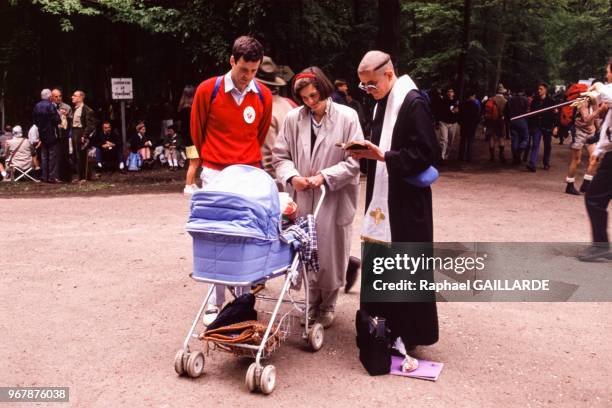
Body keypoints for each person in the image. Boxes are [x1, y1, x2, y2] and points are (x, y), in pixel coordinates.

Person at [350, 50, 439, 367]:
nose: (368, 90)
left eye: (371, 84)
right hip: (382, 194)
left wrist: (385, 156)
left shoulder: (412, 101)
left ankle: (408, 330)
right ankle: (379, 322)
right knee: (381, 255)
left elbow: (427, 153)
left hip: (405, 200)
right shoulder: (380, 101)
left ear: (388, 74)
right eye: (364, 86)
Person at [190, 35, 273, 325]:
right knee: (216, 237)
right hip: (215, 173)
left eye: (254, 71)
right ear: (232, 61)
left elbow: (258, 136)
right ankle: (216, 301)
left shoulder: (263, 94)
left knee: (245, 237)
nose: (247, 77)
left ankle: (243, 299)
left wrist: (245, 160)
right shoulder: (207, 90)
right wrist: (201, 164)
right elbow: (195, 134)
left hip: (249, 173)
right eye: (243, 70)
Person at [273, 67, 362, 328]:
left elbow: (355, 160)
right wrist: (292, 177)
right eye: (305, 98)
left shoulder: (348, 117)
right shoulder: (293, 119)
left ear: (324, 90)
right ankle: (311, 303)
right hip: (302, 195)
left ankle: (328, 305)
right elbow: (280, 157)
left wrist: (324, 176)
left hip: (333, 196)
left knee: (331, 251)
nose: (311, 102)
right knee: (305, 251)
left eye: (315, 96)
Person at [578, 59, 612, 262]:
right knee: (597, 198)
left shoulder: (607, 91)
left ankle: (600, 246)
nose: (607, 75)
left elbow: (607, 93)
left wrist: (598, 86)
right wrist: (599, 150)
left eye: (608, 72)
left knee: (594, 198)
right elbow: (609, 125)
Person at [255, 55, 297, 188]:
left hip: (274, 179)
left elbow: (268, 155)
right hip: (293, 173)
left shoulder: (262, 108)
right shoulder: (290, 104)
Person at [564, 95, 608, 195]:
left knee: (595, 158)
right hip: (579, 132)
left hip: (590, 134)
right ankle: (569, 185)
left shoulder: (594, 102)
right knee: (576, 160)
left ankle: (586, 184)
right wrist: (600, 109)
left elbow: (596, 118)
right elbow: (587, 119)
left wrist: (598, 131)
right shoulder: (581, 102)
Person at [527, 83, 558, 172]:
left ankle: (546, 163)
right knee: (535, 144)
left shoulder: (551, 101)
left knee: (547, 145)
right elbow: (531, 115)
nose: (539, 91)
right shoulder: (534, 101)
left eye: (541, 89)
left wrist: (555, 126)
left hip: (547, 126)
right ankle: (532, 163)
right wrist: (531, 126)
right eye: (538, 89)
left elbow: (556, 115)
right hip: (537, 126)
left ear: (545, 90)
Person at [33, 88, 61, 183]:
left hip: (42, 134)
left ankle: (44, 176)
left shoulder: (37, 106)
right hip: (52, 134)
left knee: (44, 156)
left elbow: (35, 120)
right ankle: (52, 177)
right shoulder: (50, 106)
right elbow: (56, 120)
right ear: (50, 96)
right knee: (53, 156)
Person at [70, 90, 97, 181]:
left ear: (81, 97)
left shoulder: (87, 110)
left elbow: (90, 125)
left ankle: (85, 177)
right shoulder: (75, 108)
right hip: (74, 132)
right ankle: (79, 176)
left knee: (82, 155)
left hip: (81, 132)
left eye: (75, 96)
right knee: (76, 155)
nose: (72, 97)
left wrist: (84, 135)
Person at [178, 85, 199, 194]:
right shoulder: (190, 109)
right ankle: (188, 185)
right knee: (194, 163)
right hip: (192, 138)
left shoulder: (182, 108)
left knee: (194, 162)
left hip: (188, 138)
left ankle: (192, 183)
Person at [51, 88, 73, 182]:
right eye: (56, 96)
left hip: (64, 135)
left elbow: (71, 121)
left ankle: (66, 177)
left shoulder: (67, 107)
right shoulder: (50, 106)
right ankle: (55, 176)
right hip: (53, 135)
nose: (58, 98)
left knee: (65, 155)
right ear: (52, 97)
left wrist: (66, 116)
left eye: (60, 96)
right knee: (55, 156)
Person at [505, 87, 530, 164]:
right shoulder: (525, 99)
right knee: (525, 138)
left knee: (514, 139)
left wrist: (508, 120)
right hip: (522, 120)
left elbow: (506, 111)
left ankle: (515, 157)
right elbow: (527, 110)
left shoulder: (510, 99)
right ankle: (520, 148)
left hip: (512, 120)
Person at [484, 84, 508, 163]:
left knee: (491, 137)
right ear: (502, 92)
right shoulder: (505, 101)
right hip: (500, 121)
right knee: (501, 137)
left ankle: (492, 157)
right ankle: (501, 155)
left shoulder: (491, 99)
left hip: (491, 121)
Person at [457, 90, 481, 162]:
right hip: (472, 125)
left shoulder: (461, 105)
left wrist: (460, 123)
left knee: (463, 140)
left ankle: (461, 156)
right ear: (471, 96)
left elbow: (459, 116)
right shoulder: (475, 105)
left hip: (464, 124)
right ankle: (469, 157)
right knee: (470, 141)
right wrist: (476, 123)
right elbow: (477, 116)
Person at [436, 87, 459, 161]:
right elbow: (438, 112)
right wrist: (437, 121)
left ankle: (446, 156)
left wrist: (457, 111)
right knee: (444, 140)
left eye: (451, 91)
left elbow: (458, 112)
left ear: (454, 93)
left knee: (451, 141)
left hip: (453, 124)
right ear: (446, 93)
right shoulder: (442, 101)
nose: (450, 93)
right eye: (448, 91)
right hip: (444, 123)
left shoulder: (456, 102)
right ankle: (441, 157)